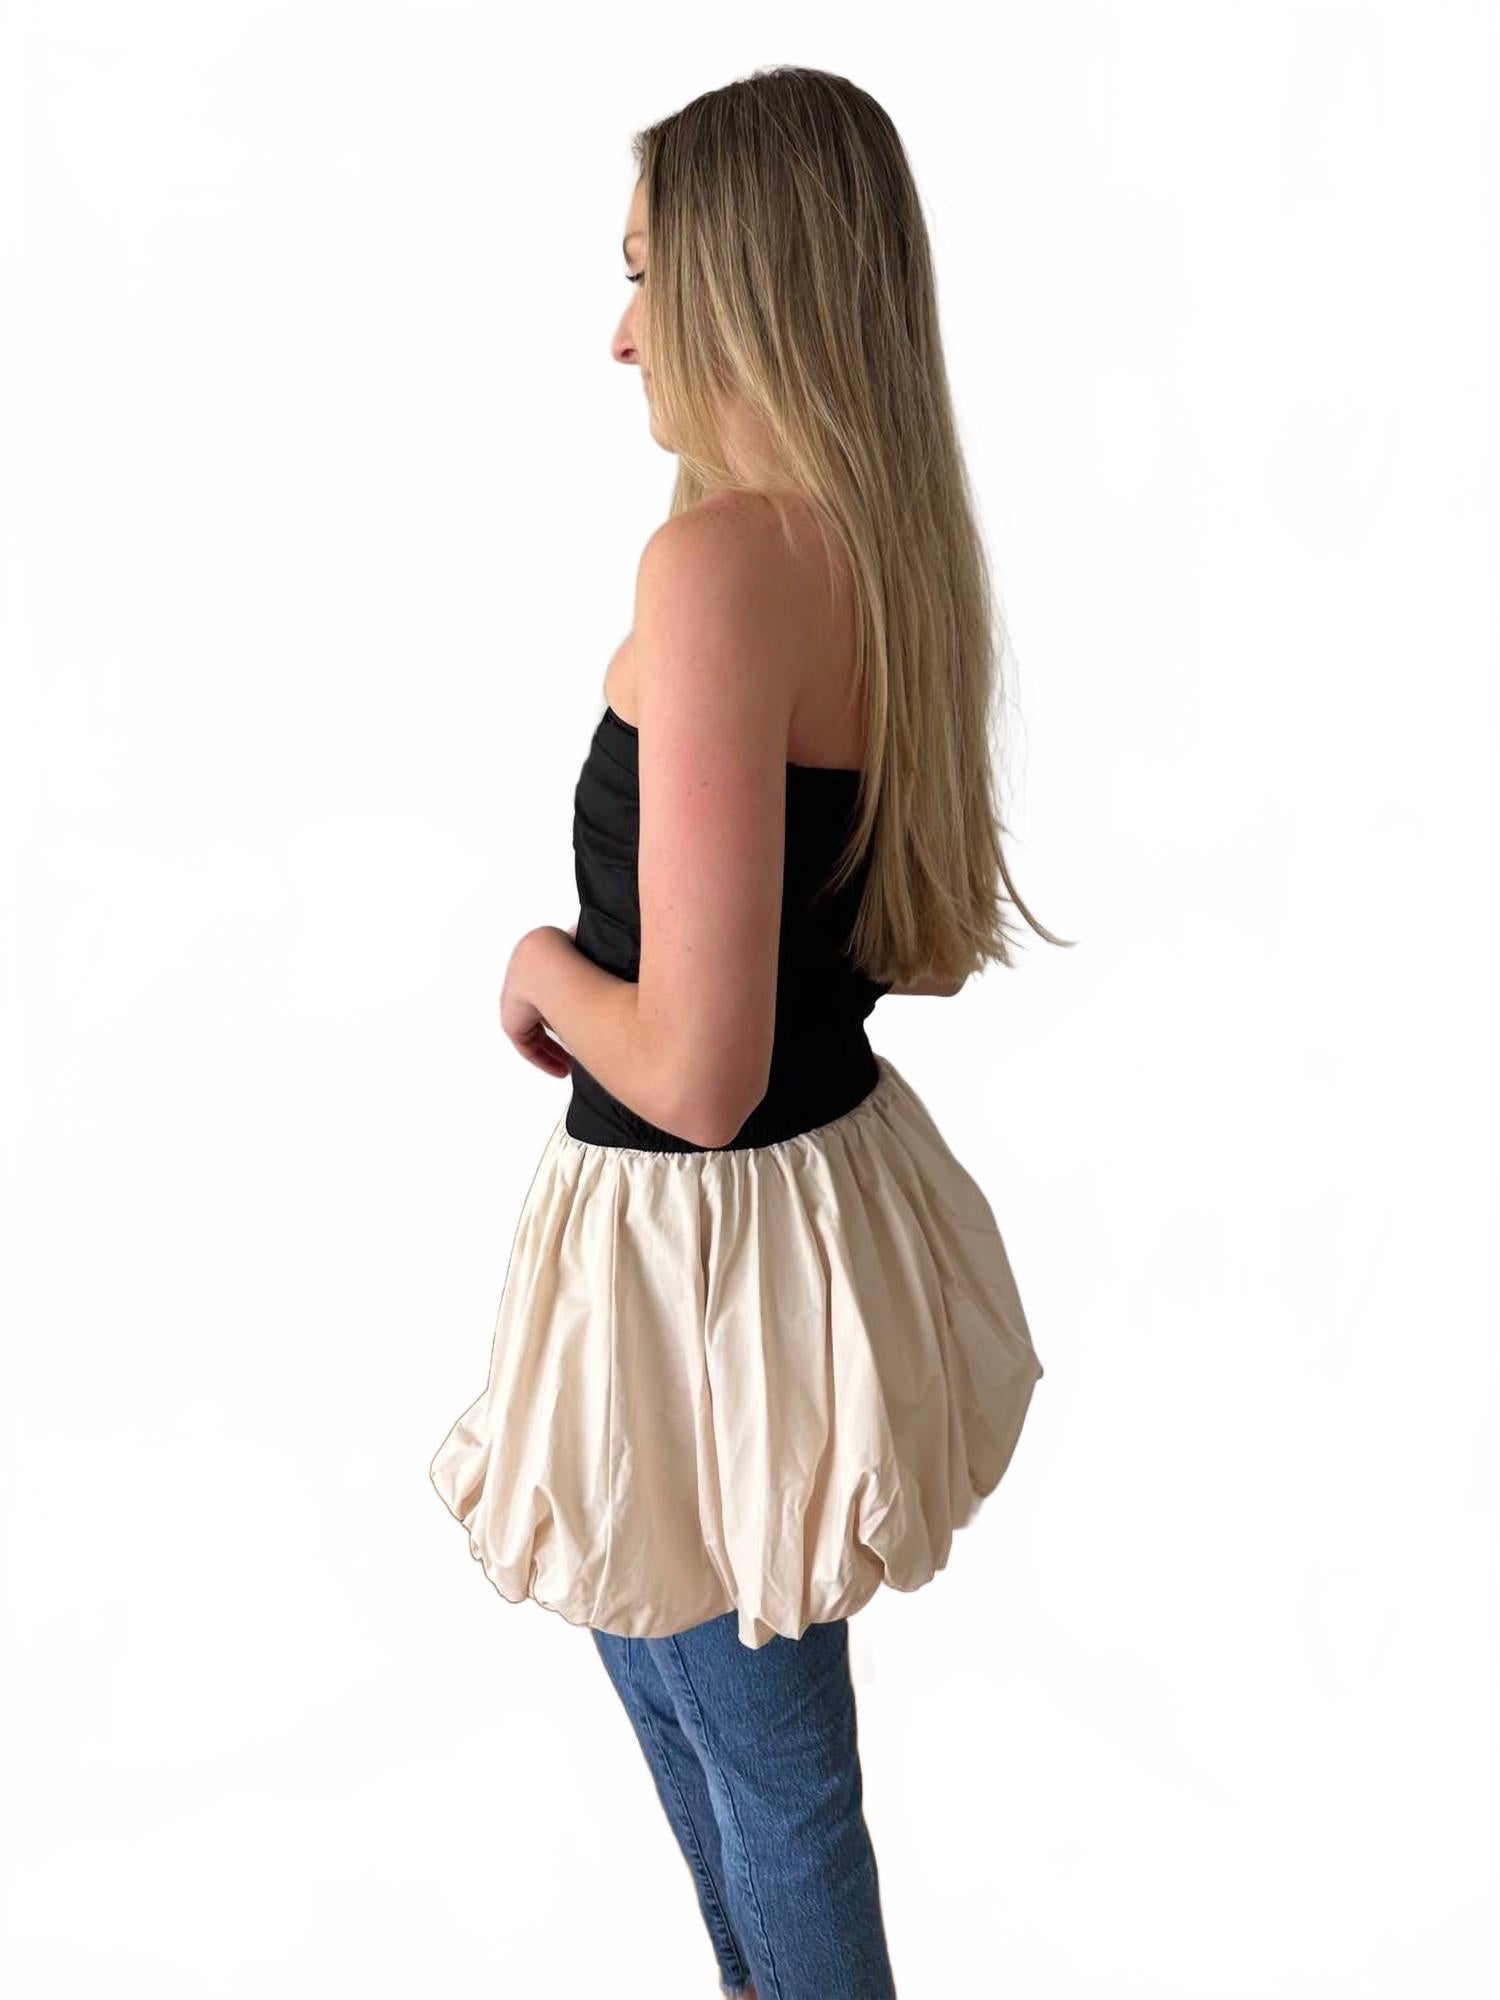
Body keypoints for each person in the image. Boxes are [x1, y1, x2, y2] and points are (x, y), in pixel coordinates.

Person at [430, 64, 1069, 2000]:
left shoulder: (717, 570)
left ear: (751, 282)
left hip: (704, 1278)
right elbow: (906, 947)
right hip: (787, 1241)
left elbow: (699, 1078)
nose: (621, 334)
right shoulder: (884, 554)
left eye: (648, 275)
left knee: (768, 1787)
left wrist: (539, 965)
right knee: (727, 1744)